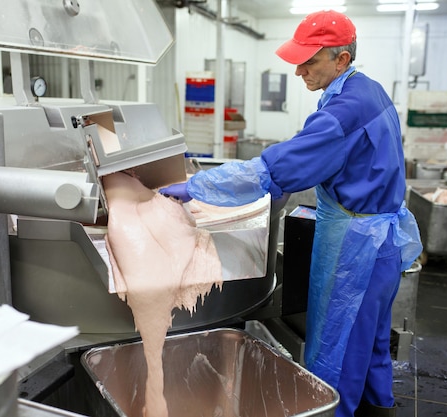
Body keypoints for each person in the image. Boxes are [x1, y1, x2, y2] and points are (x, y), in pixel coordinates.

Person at [159, 9, 422, 417]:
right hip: (383, 244)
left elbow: (269, 172)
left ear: (342, 60)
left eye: (310, 60)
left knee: (337, 351)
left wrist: (197, 187)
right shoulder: (369, 91)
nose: (299, 70)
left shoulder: (339, 117)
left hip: (356, 252)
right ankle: (380, 409)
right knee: (370, 342)